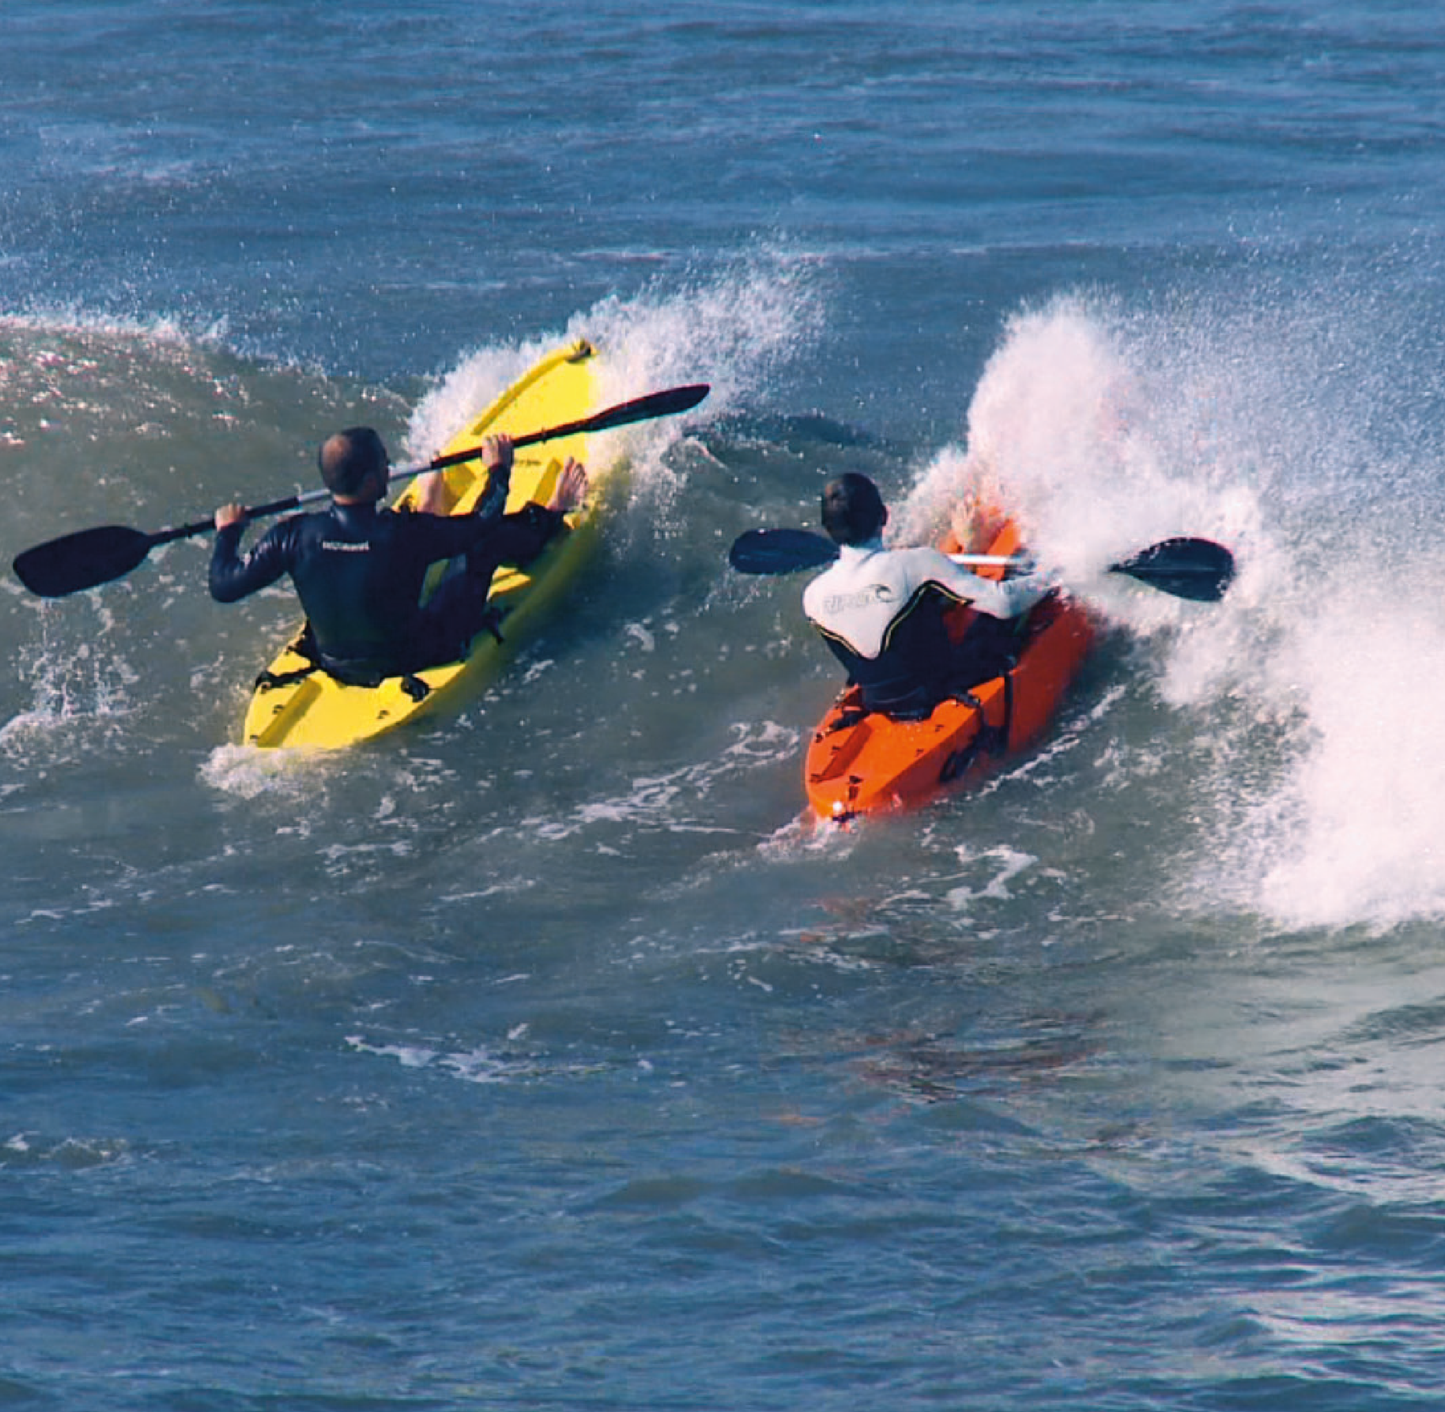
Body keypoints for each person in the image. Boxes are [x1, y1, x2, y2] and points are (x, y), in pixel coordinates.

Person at [210, 427, 587, 684]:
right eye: (385, 463)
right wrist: (499, 471)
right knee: (481, 544)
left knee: (400, 556)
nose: (391, 468)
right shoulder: (402, 534)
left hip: (335, 665)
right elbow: (482, 522)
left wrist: (228, 533)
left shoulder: (292, 535)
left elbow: (223, 585)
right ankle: (553, 513)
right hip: (412, 656)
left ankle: (429, 503)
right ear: (374, 482)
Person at [801, 472, 1053, 718]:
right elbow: (1004, 602)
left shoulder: (812, 596)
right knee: (1011, 582)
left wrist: (971, 548)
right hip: (947, 684)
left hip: (877, 700)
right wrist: (1057, 574)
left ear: (828, 528)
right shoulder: (918, 562)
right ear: (884, 515)